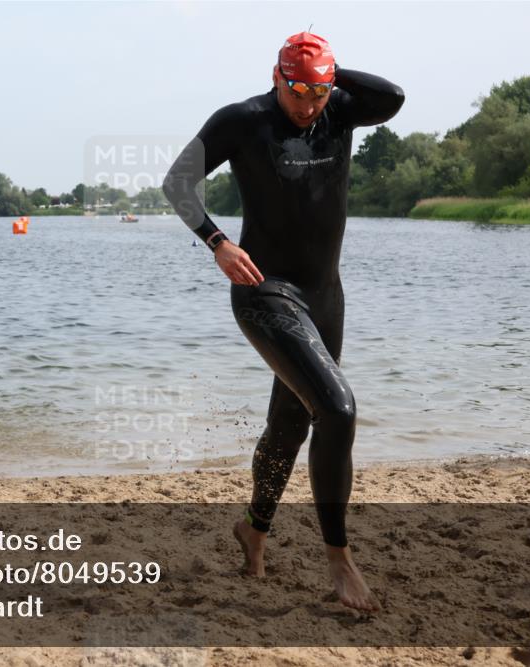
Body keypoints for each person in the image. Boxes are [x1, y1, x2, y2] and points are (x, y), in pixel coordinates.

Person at [163, 31, 404, 613]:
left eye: (318, 93)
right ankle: (340, 561)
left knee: (291, 425)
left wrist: (331, 75)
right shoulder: (243, 120)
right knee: (339, 409)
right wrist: (217, 243)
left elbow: (393, 97)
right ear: (276, 77)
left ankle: (254, 528)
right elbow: (177, 182)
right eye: (298, 91)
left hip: (326, 295)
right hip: (262, 290)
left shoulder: (339, 109)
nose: (308, 105)